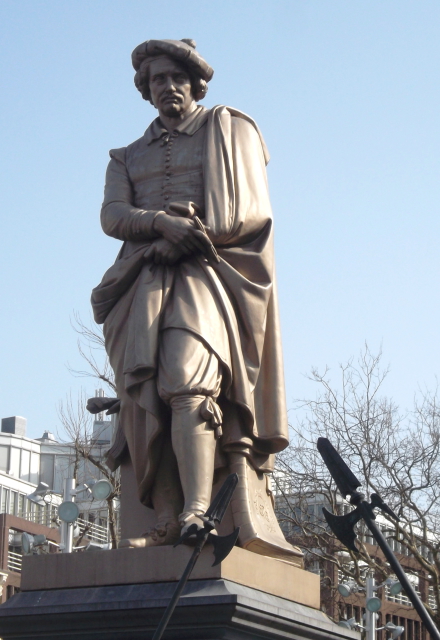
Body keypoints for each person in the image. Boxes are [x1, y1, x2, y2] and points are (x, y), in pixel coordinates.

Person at [91, 39, 301, 562]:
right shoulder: (125, 156)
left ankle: (198, 511)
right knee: (145, 398)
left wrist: (195, 231)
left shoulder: (227, 129)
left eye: (175, 77)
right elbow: (113, 215)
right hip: (141, 282)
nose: (167, 87)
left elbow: (251, 211)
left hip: (209, 271)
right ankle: (164, 518)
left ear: (195, 82)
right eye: (156, 80)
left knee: (188, 382)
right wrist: (159, 223)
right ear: (146, 90)